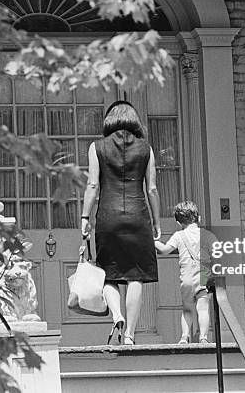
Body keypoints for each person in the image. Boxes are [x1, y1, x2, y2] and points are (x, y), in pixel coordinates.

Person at [81, 101, 161, 345]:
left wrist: (85, 217)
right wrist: (157, 222)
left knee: (108, 274)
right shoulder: (146, 149)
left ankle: (117, 315)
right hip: (138, 217)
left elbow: (93, 185)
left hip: (108, 216)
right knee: (136, 276)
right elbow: (153, 189)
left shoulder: (97, 148)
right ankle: (130, 335)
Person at [154, 201, 214, 344]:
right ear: (198, 218)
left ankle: (184, 337)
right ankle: (203, 337)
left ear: (178, 222)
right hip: (203, 277)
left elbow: (164, 250)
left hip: (186, 279)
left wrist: (153, 240)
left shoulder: (178, 235)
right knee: (203, 308)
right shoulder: (207, 235)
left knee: (187, 309)